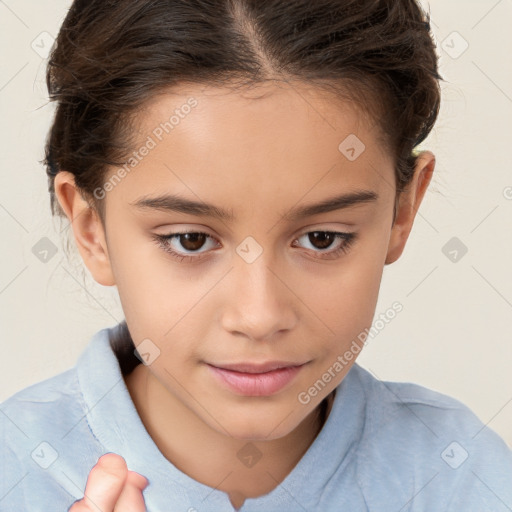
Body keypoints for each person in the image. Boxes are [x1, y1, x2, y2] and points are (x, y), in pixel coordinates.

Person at [1, 0, 511, 510]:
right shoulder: (16, 469)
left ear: (402, 213)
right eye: (191, 240)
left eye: (322, 238)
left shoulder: (464, 476)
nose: (259, 317)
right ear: (93, 230)